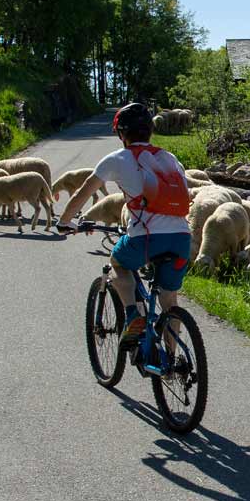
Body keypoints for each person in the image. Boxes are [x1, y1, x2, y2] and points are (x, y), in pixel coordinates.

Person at [57, 103, 191, 347]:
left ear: (121, 134)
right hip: (182, 238)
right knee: (169, 300)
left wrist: (64, 221)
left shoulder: (117, 158)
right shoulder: (169, 158)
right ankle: (172, 364)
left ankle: (132, 314)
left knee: (118, 262)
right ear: (150, 130)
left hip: (146, 238)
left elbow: (82, 194)